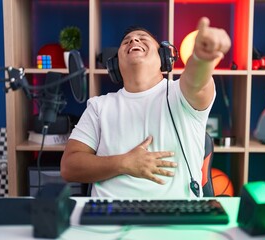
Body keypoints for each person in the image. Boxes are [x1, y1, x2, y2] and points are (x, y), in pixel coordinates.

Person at [60, 17, 231, 198]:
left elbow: (196, 81)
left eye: (142, 38)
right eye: (126, 41)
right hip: (110, 217)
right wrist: (123, 163)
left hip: (176, 217)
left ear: (164, 58)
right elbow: (69, 167)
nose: (134, 41)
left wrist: (201, 58)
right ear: (115, 65)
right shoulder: (99, 106)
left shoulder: (181, 93)